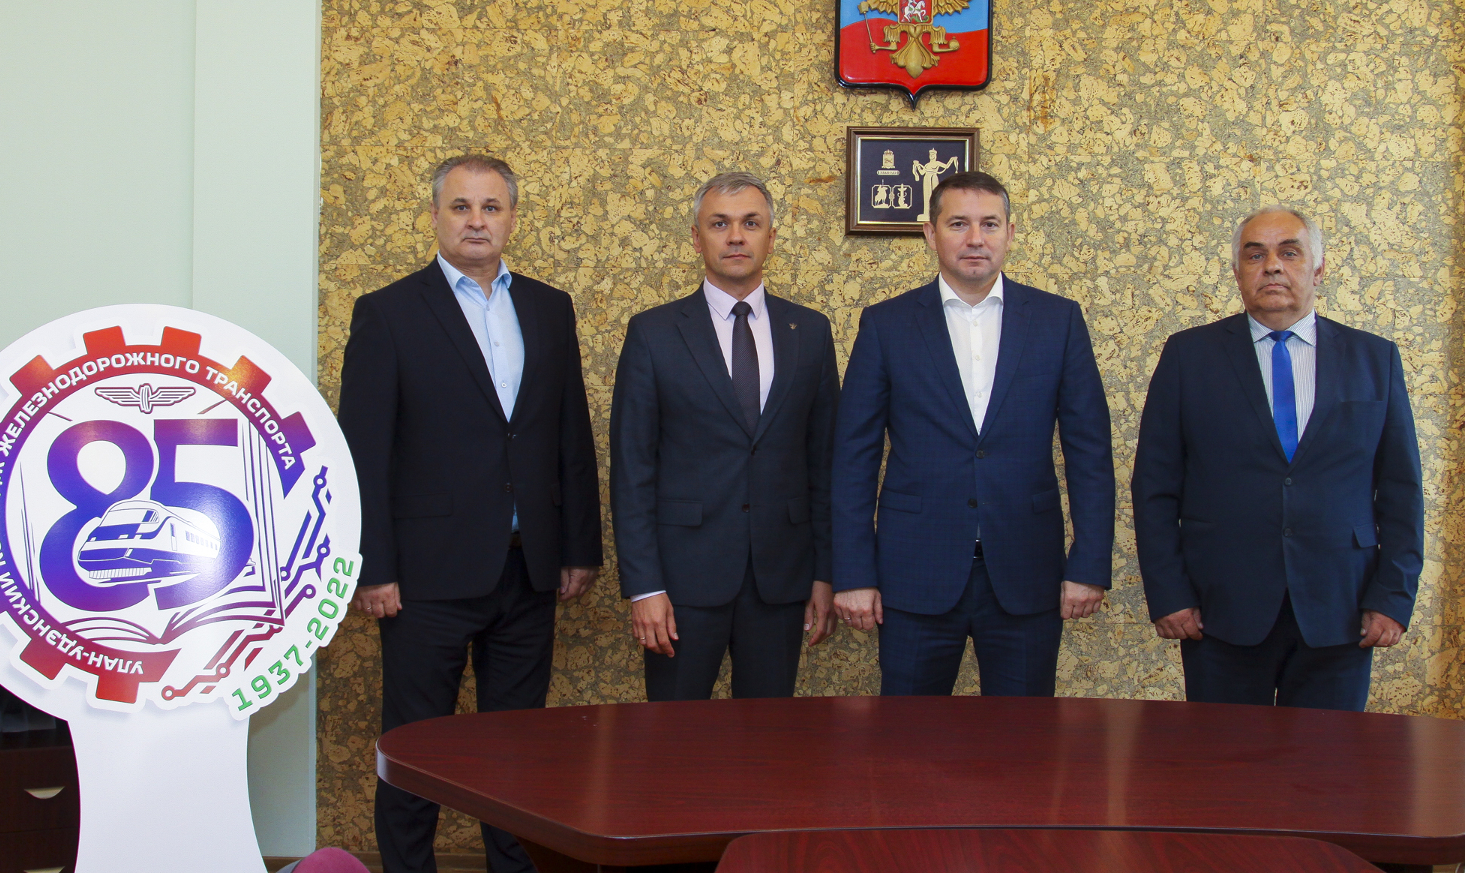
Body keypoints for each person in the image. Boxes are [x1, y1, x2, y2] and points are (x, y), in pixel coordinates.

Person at [337, 154, 602, 873]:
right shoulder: (388, 311)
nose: (476, 221)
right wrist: (372, 567)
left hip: (528, 570)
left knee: (517, 756)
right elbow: (363, 451)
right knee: (416, 753)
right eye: (461, 207)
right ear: (435, 216)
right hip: (425, 579)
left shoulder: (548, 308)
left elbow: (568, 434)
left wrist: (578, 547)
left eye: (491, 207)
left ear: (512, 218)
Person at [831, 170, 1115, 696]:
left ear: (1011, 232)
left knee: (1024, 736)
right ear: (930, 233)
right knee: (908, 735)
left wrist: (1090, 563)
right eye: (958, 223)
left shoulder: (1058, 321)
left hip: (1027, 571)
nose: (975, 238)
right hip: (913, 574)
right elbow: (853, 459)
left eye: (990, 224)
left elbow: (1090, 453)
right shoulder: (886, 325)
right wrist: (853, 573)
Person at [1132, 207, 1423, 710]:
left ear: (1318, 267)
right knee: (1224, 756)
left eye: (1290, 252)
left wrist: (1392, 598)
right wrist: (1169, 594)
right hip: (1221, 609)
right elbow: (1154, 487)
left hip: (1341, 609)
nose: (1272, 266)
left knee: (1326, 758)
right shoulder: (1188, 357)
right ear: (1237, 271)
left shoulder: (1374, 359)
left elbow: (1401, 491)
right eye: (1255, 255)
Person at [610, 172, 840, 700]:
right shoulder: (653, 333)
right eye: (720, 224)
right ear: (697, 238)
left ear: (771, 238)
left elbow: (825, 465)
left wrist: (825, 574)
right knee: (673, 735)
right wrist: (644, 586)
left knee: (769, 737)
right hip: (681, 583)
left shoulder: (810, 331)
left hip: (780, 579)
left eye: (750, 223)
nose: (736, 236)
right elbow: (632, 470)